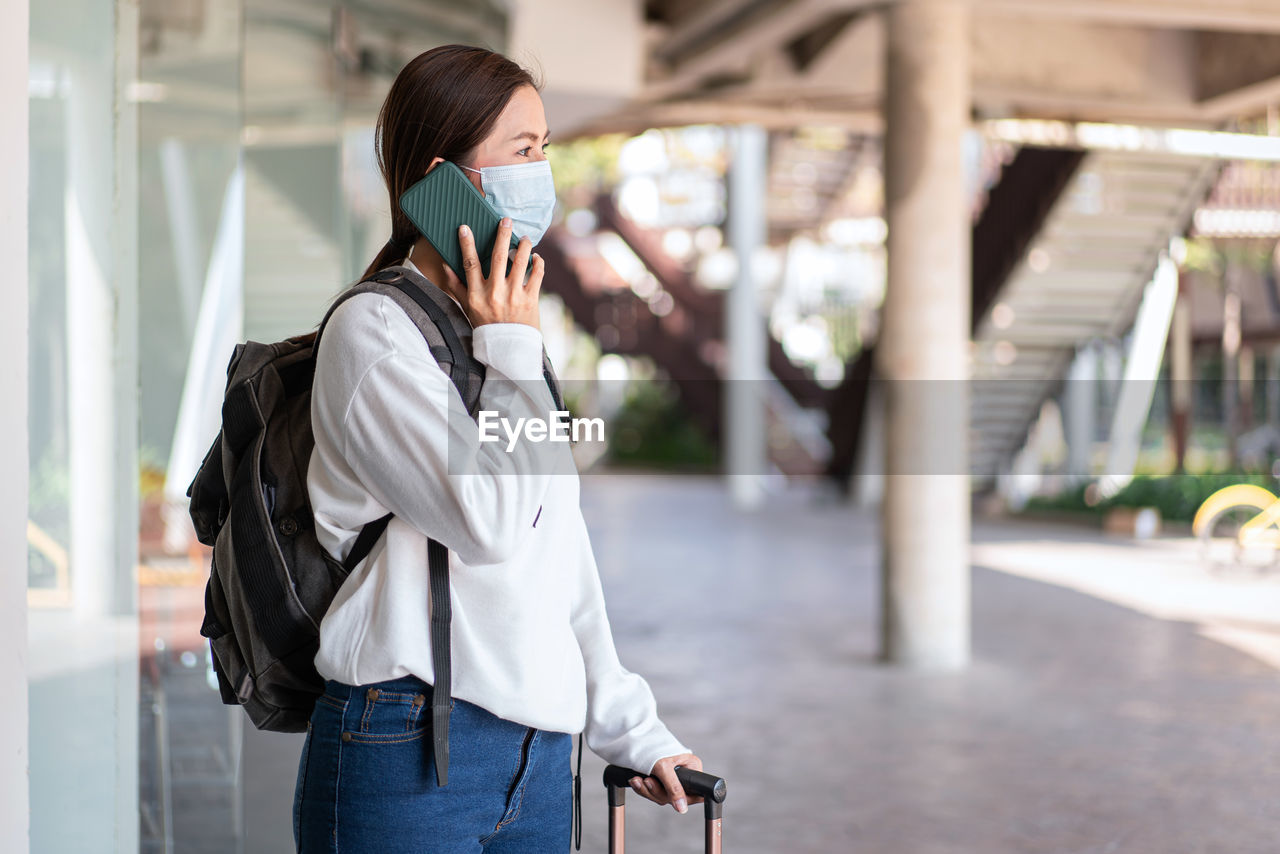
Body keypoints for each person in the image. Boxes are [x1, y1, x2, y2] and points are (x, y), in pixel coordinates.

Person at [293, 44, 701, 853]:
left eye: (544, 149)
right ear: (446, 180)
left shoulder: (504, 334)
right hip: (404, 746)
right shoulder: (374, 334)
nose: (541, 173)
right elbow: (488, 526)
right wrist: (512, 350)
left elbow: (557, 548)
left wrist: (633, 728)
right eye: (522, 150)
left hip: (540, 758)